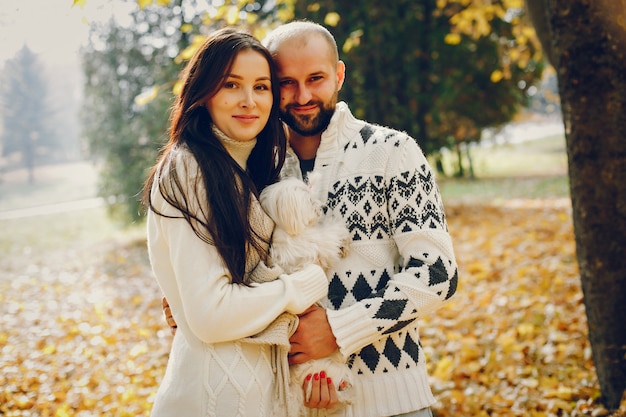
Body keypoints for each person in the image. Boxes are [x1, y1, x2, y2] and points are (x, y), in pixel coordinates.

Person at [165, 21, 459, 417]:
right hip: (288, 402)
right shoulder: (253, 168)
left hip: (392, 398)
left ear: (338, 75)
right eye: (287, 82)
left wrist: (340, 329)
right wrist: (187, 297)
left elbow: (438, 273)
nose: (303, 96)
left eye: (316, 78)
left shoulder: (393, 151)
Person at [143, 27, 332, 417]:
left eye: (262, 87)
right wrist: (296, 289)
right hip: (211, 399)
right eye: (232, 84)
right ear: (204, 91)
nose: (249, 101)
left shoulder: (245, 171)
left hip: (258, 397)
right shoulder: (190, 168)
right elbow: (211, 316)